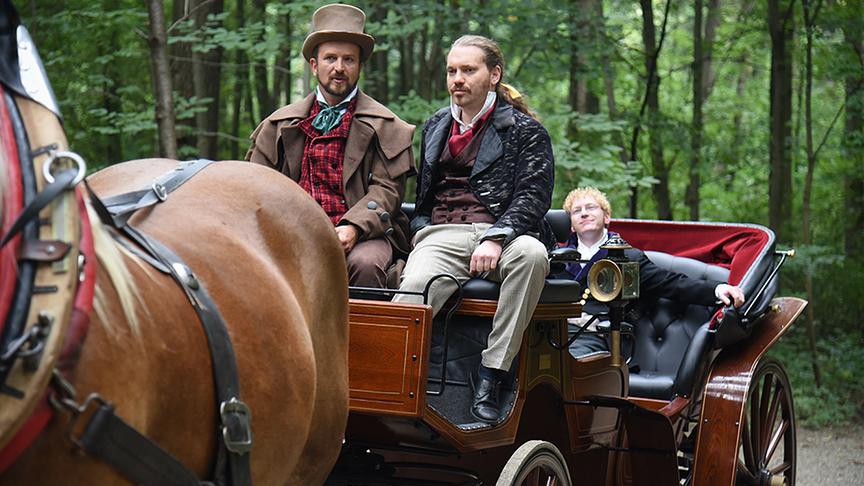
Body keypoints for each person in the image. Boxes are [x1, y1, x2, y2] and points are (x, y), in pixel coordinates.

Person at [393, 35, 555, 422]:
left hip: (504, 233)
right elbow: (424, 197)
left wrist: (497, 237)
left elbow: (533, 196)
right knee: (415, 287)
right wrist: (419, 231)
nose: (457, 79)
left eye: (469, 70)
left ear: (494, 75)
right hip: (443, 234)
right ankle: (398, 384)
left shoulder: (524, 130)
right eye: (452, 71)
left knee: (533, 256)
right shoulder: (435, 125)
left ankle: (493, 374)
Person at [246, 4, 414, 288]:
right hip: (291, 230)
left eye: (349, 59)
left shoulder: (388, 126)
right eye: (330, 58)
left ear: (360, 65)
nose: (339, 68)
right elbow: (255, 187)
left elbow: (387, 191)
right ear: (314, 65)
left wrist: (354, 227)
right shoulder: (276, 126)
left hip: (365, 234)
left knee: (365, 265)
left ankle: (361, 334)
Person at [558, 186, 745, 357]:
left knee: (561, 361)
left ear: (606, 217)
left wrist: (717, 289)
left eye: (590, 208)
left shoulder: (629, 257)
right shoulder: (557, 259)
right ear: (571, 225)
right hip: (557, 334)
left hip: (602, 339)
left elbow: (671, 283)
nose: (584, 214)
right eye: (576, 211)